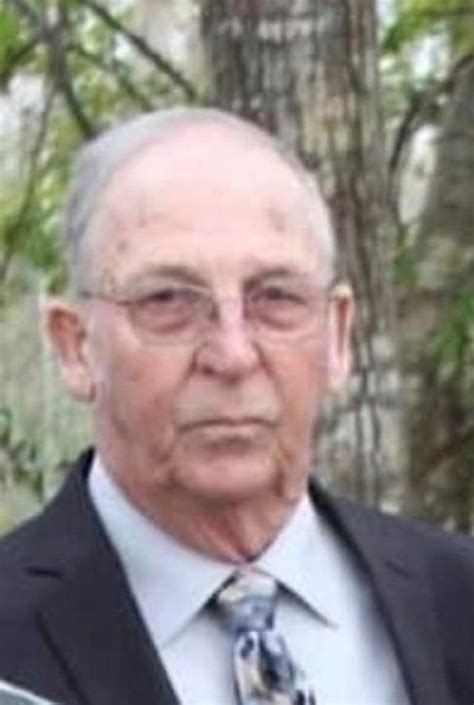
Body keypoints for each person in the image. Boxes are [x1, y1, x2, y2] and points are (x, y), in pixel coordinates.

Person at [0, 108, 473, 705]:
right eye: (168, 301)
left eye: (275, 297)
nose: (232, 354)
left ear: (336, 335)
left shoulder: (457, 601)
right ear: (75, 346)